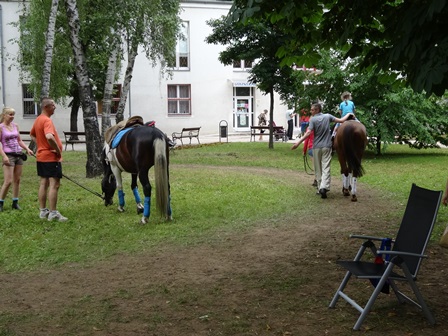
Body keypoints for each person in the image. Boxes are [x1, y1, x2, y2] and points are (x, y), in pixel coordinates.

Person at [291, 102, 354, 199]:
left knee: (318, 168)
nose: (311, 111)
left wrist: (298, 143)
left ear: (317, 110)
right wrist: (349, 114)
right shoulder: (328, 116)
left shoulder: (313, 120)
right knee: (326, 168)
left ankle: (320, 188)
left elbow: (308, 133)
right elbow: (341, 120)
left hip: (316, 147)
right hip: (327, 146)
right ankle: (324, 187)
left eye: (312, 109)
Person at [30, 98, 68, 221]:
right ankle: (53, 213)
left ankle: (43, 211)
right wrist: (57, 150)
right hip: (50, 158)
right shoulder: (46, 121)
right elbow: (49, 137)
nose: (55, 107)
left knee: (43, 183)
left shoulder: (38, 120)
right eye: (53, 105)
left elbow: (32, 134)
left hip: (41, 156)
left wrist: (40, 146)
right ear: (46, 107)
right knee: (54, 184)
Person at [0, 107, 34, 212]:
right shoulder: (1, 127)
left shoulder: (15, 126)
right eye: (10, 114)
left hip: (18, 154)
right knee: (8, 181)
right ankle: (1, 202)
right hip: (8, 155)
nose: (12, 116)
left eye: (13, 114)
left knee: (17, 180)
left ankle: (15, 202)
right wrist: (4, 156)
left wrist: (27, 149)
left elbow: (19, 140)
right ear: (4, 115)